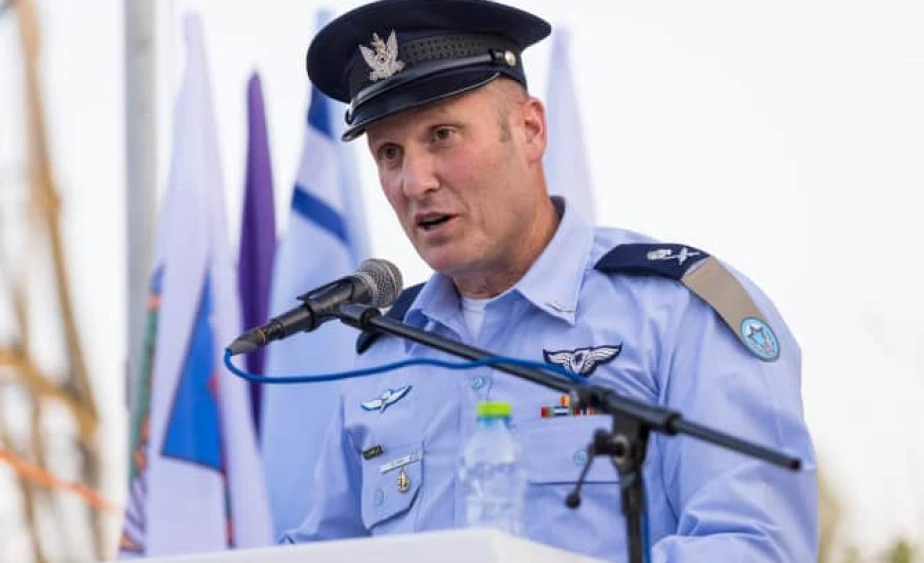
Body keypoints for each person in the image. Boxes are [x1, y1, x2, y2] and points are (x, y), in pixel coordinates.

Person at [280, 0, 818, 561]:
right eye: (390, 153)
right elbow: (321, 550)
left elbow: (754, 545)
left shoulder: (677, 315)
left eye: (442, 136)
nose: (415, 181)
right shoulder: (384, 356)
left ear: (530, 129)